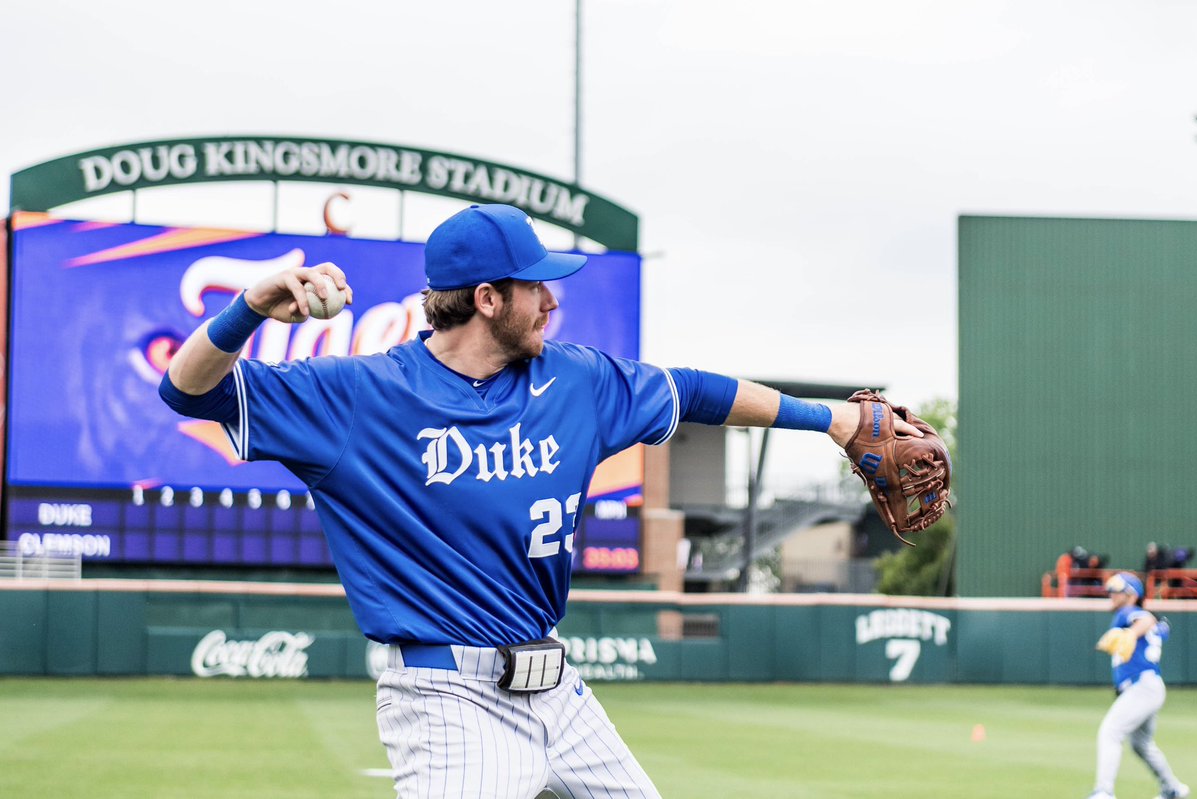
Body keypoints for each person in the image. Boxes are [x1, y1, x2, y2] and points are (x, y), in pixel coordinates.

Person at [158, 203, 923, 798]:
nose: (551, 300)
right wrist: (251, 305)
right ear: (488, 298)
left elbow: (696, 391)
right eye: (535, 285)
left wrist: (837, 418)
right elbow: (186, 391)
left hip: (557, 687)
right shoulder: (362, 395)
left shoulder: (578, 381)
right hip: (447, 699)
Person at [1086, 572, 1189, 799]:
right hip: (1149, 687)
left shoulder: (1129, 612)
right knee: (1141, 744)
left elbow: (1148, 620)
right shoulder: (1136, 615)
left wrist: (1130, 633)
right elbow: (1160, 625)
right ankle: (1172, 788)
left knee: (1110, 731)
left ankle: (1104, 791)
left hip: (1142, 686)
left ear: (1131, 595)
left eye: (1117, 591)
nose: (1111, 595)